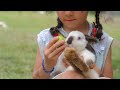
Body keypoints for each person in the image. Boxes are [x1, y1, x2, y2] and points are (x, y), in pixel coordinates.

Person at [33, 11, 113, 79]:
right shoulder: (46, 38)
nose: (68, 13)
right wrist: (47, 65)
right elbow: (37, 77)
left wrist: (90, 67)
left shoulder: (103, 40)